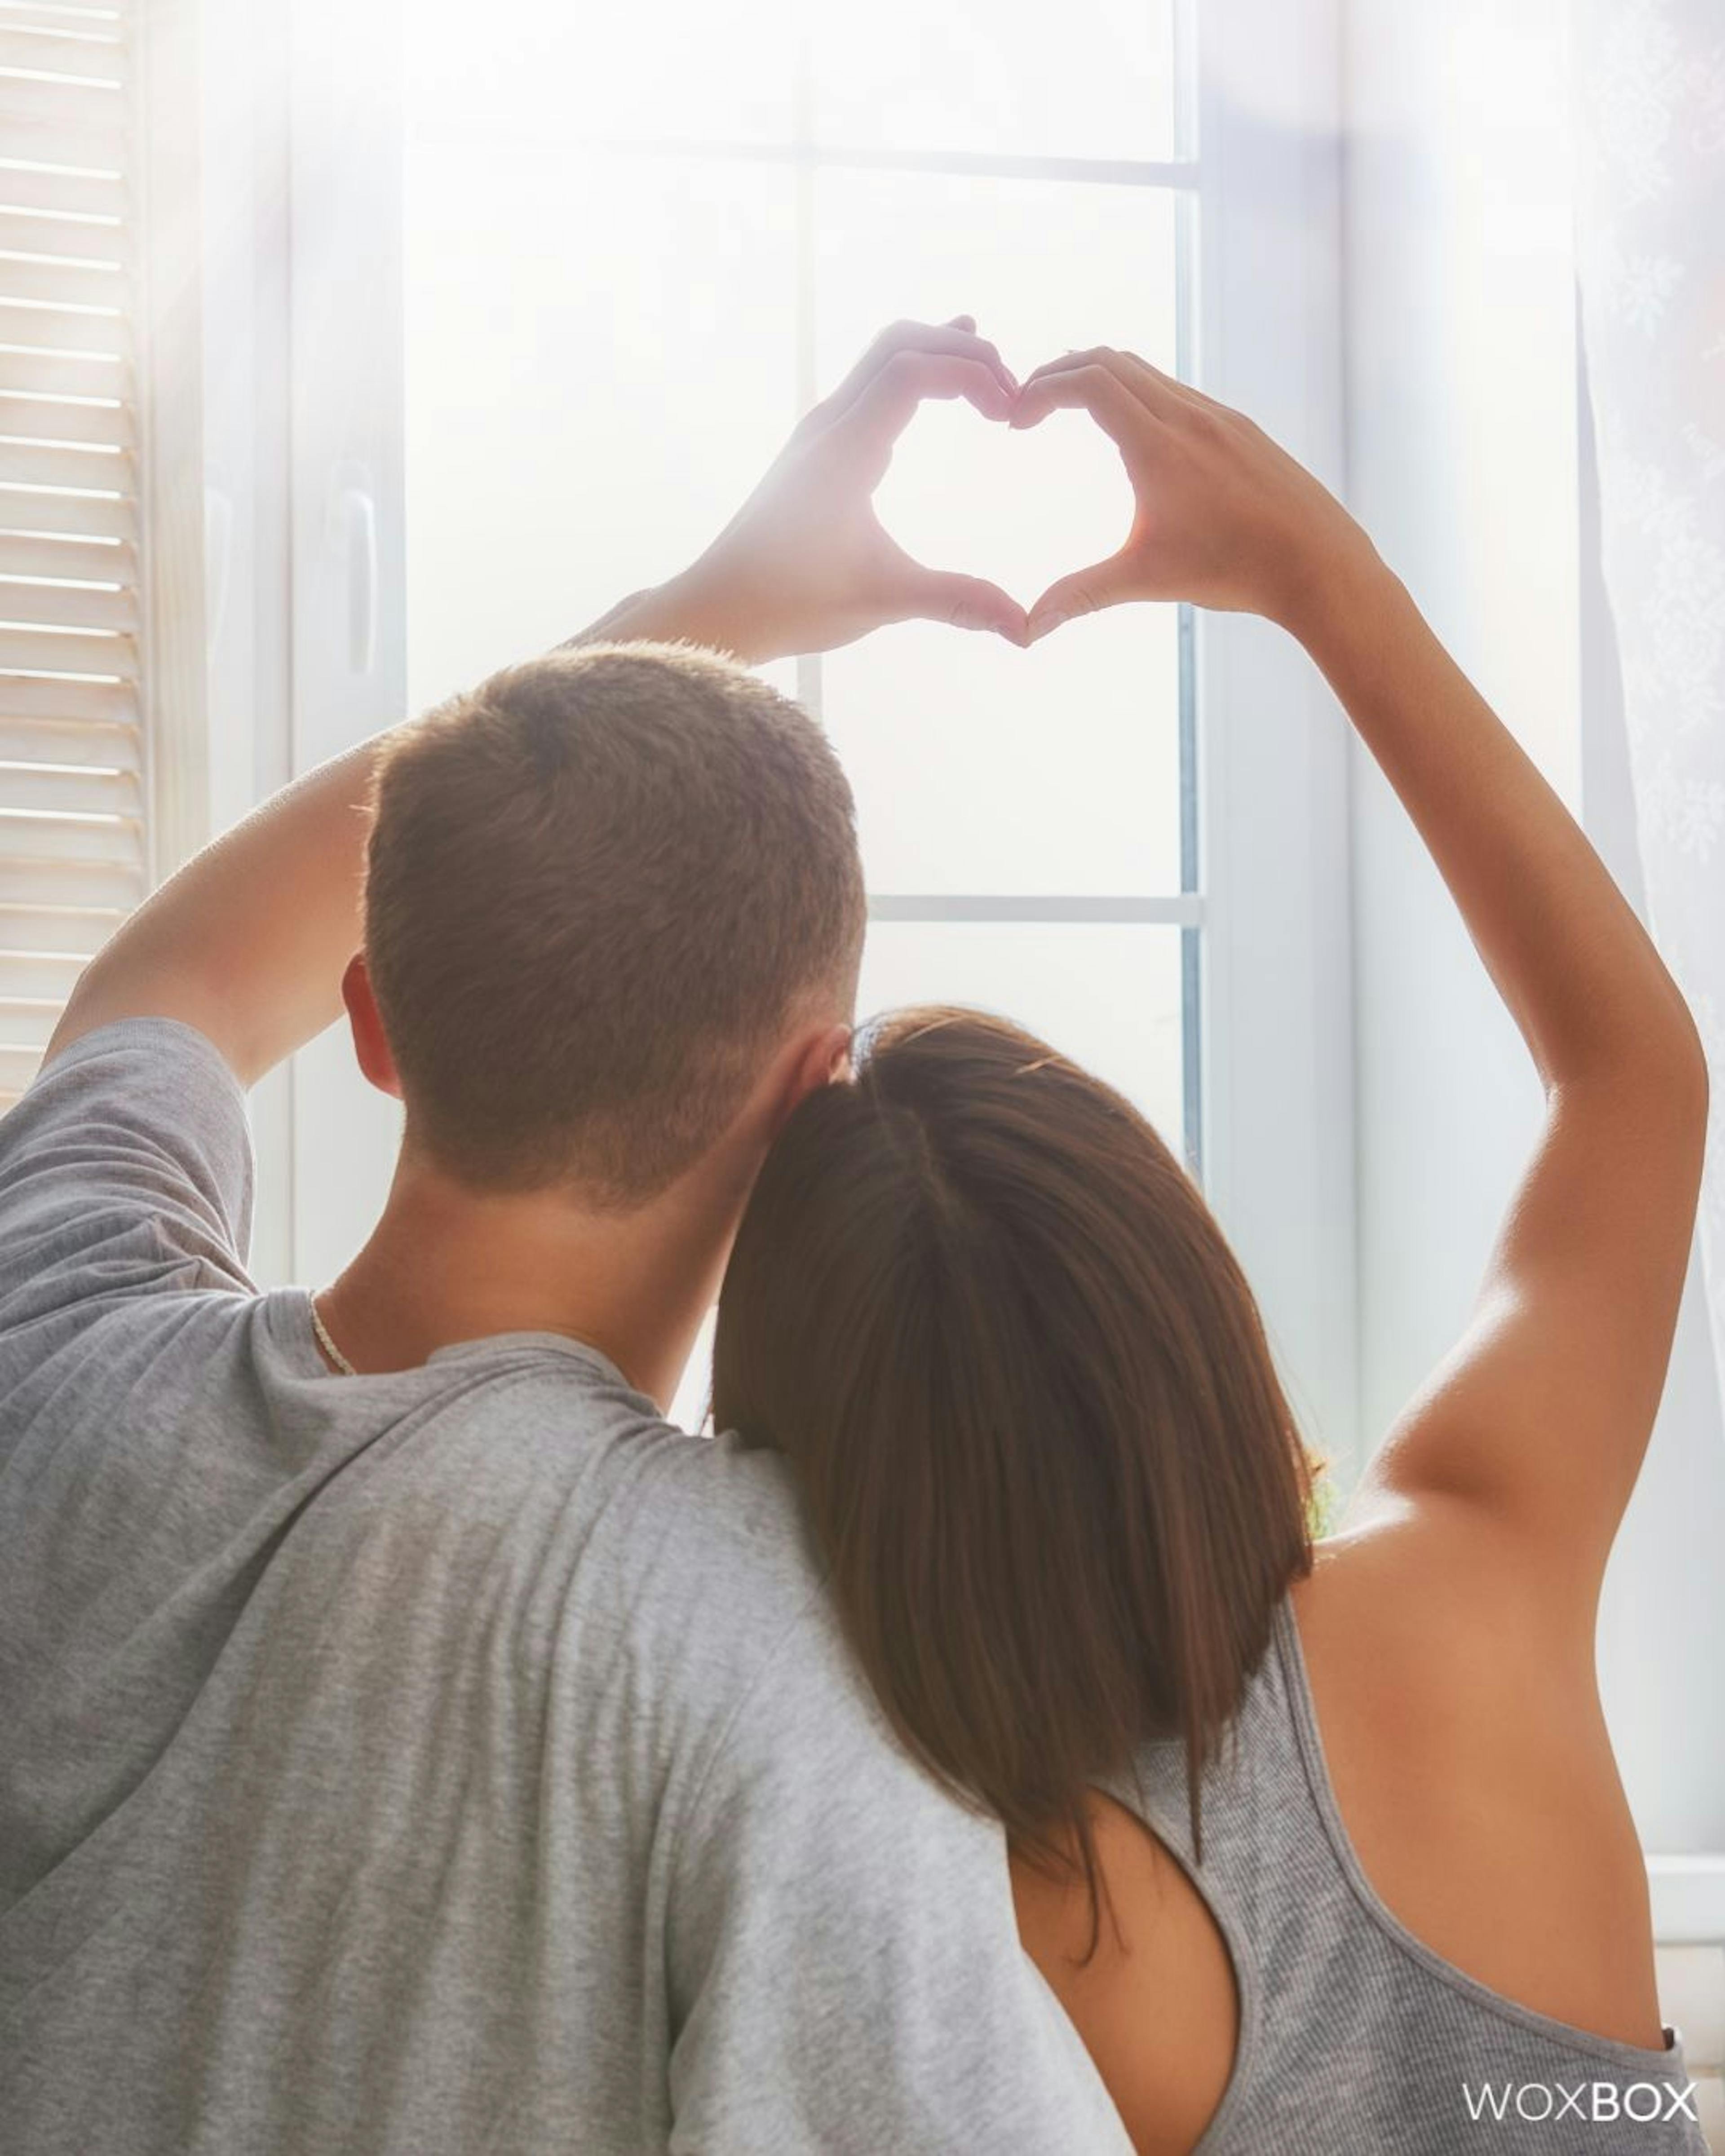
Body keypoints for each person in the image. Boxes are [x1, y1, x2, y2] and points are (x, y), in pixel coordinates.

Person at [0, 321, 1134, 2155]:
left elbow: (174, 982)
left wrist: (709, 600)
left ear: (375, 1022)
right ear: (812, 1094)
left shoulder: (57, 1345)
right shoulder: (771, 1658)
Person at [710, 349, 1712, 2154]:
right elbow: (1637, 1080)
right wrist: (1322, 584)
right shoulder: (1481, 1601)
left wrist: (693, 622)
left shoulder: (1026, 1919)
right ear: (1180, 1306)